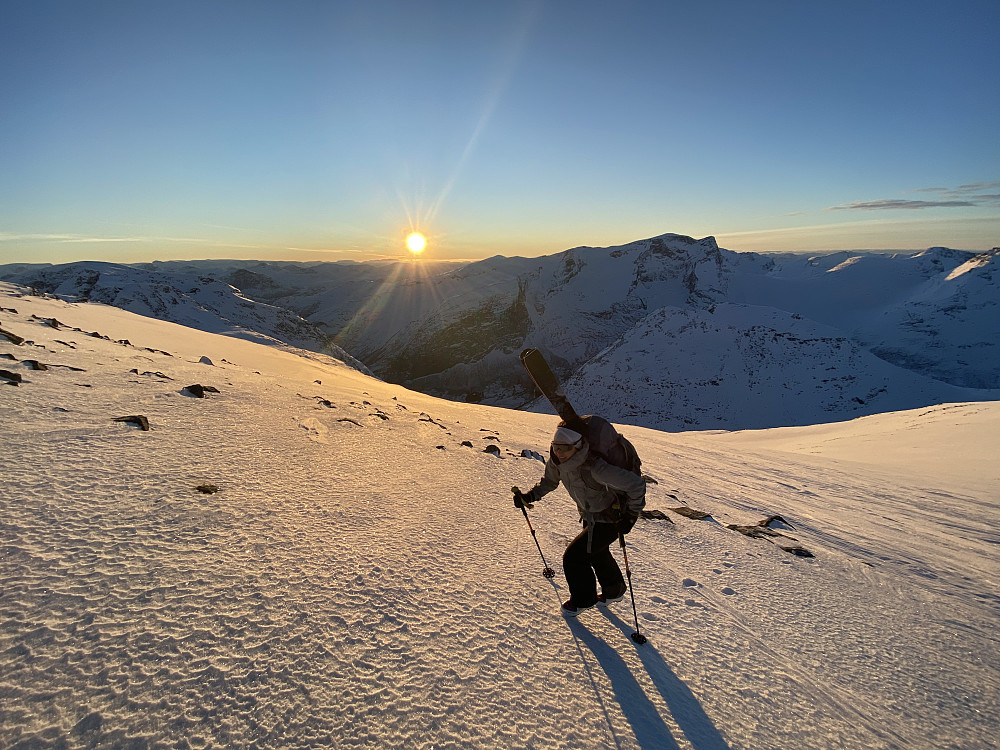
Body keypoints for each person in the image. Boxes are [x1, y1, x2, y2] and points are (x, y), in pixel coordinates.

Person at [514, 422, 646, 616]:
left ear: (578, 446)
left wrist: (631, 516)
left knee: (574, 558)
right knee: (596, 552)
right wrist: (530, 496)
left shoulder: (596, 468)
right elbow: (550, 482)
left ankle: (584, 599)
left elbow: (636, 486)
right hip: (590, 513)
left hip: (613, 516)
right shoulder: (557, 462)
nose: (559, 452)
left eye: (565, 448)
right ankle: (614, 590)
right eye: (555, 447)